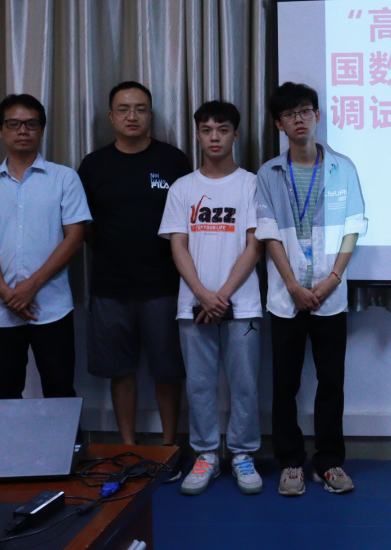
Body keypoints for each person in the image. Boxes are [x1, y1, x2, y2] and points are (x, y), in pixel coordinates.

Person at [256, 82, 367, 497]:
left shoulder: (343, 168)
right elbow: (268, 231)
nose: (298, 119)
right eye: (289, 114)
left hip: (329, 295)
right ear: (279, 124)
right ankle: (290, 463)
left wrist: (333, 278)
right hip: (286, 297)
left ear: (317, 115)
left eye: (305, 111)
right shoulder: (269, 173)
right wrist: (292, 285)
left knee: (331, 382)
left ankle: (329, 462)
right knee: (284, 385)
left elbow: (353, 226)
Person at [158, 101, 264, 496]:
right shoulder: (183, 188)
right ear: (198, 135)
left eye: (222, 129)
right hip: (194, 304)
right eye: (206, 130)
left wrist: (223, 295)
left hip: (243, 304)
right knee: (199, 386)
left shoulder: (251, 184)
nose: (214, 137)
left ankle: (242, 453)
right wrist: (203, 295)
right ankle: (205, 454)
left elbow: (255, 245)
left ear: (236, 134)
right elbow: (178, 246)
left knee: (245, 384)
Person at [78, 81, 190, 450]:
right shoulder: (93, 165)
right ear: (111, 116)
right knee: (120, 372)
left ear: (151, 115)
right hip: (111, 287)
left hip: (165, 286)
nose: (132, 116)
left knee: (168, 371)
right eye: (124, 109)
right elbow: (84, 226)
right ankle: (127, 447)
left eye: (140, 109)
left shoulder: (173, 161)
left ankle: (169, 447)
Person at [0, 94, 91, 400]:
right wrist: (6, 293)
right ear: (0, 129)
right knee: (4, 393)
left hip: (53, 306)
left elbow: (75, 237)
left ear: (42, 129)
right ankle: (9, 440)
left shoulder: (64, 178)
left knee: (60, 392)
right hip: (0, 308)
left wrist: (31, 286)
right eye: (14, 124)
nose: (23, 130)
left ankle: (64, 438)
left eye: (31, 124)